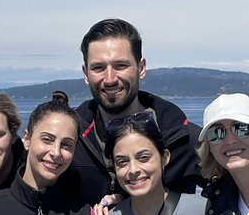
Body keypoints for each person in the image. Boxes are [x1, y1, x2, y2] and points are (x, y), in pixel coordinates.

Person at [71, 18, 204, 203]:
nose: (109, 79)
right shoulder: (71, 139)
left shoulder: (183, 139)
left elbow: (233, 192)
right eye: (99, 68)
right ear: (86, 74)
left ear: (141, 68)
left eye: (120, 66)